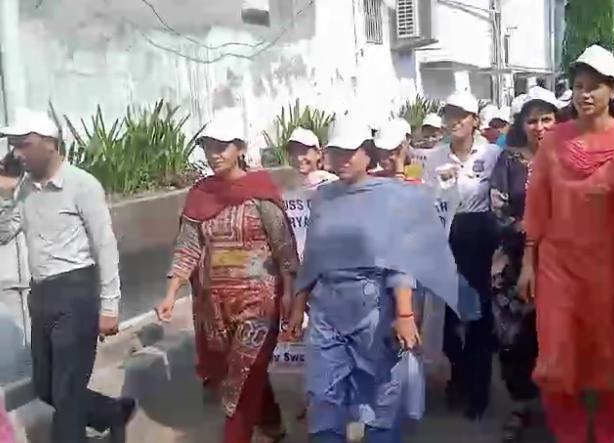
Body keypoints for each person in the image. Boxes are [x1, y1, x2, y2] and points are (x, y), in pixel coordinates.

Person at [285, 116, 461, 442]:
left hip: (374, 309)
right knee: (324, 394)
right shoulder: (324, 197)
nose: (343, 160)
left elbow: (401, 259)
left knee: (383, 396)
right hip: (328, 310)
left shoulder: (392, 196)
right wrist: (298, 306)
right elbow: (313, 256)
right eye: (337, 152)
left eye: (350, 152)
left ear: (367, 153)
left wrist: (404, 314)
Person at [518, 45, 614, 443]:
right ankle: (571, 435)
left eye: (594, 86)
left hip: (609, 269)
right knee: (558, 356)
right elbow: (537, 204)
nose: (585, 94)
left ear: (613, 89)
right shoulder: (554, 141)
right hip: (556, 267)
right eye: (579, 86)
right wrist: (529, 262)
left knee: (609, 355)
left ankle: (609, 433)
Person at [155, 112, 299, 443]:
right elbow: (188, 247)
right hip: (215, 308)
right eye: (208, 147)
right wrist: (171, 292)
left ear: (240, 149)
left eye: (222, 147)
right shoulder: (200, 195)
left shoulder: (260, 192)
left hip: (259, 305)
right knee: (238, 372)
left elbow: (284, 247)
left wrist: (290, 293)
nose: (214, 154)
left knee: (242, 381)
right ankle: (272, 422)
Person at [0, 109, 136, 443]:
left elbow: (105, 245)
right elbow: (4, 234)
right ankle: (111, 412)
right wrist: (4, 194)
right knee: (46, 387)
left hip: (76, 294)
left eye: (24, 143)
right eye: (13, 145)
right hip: (41, 297)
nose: (17, 153)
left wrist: (110, 305)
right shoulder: (24, 189)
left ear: (50, 143)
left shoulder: (82, 185)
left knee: (67, 394)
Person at [423, 90, 501, 420]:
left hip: (480, 240)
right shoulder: (434, 157)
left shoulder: (493, 154)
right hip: (446, 240)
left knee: (479, 317)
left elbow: (500, 199)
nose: (453, 121)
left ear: (475, 120)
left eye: (461, 115)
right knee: (450, 318)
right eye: (449, 114)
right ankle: (457, 378)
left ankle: (478, 391)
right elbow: (426, 201)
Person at [491, 86, 559, 442]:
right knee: (515, 338)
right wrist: (531, 229)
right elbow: (497, 208)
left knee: (559, 335)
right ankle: (520, 405)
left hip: (563, 260)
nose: (540, 127)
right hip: (514, 261)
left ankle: (562, 406)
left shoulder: (571, 157)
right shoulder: (509, 161)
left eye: (547, 119)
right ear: (521, 124)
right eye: (532, 120)